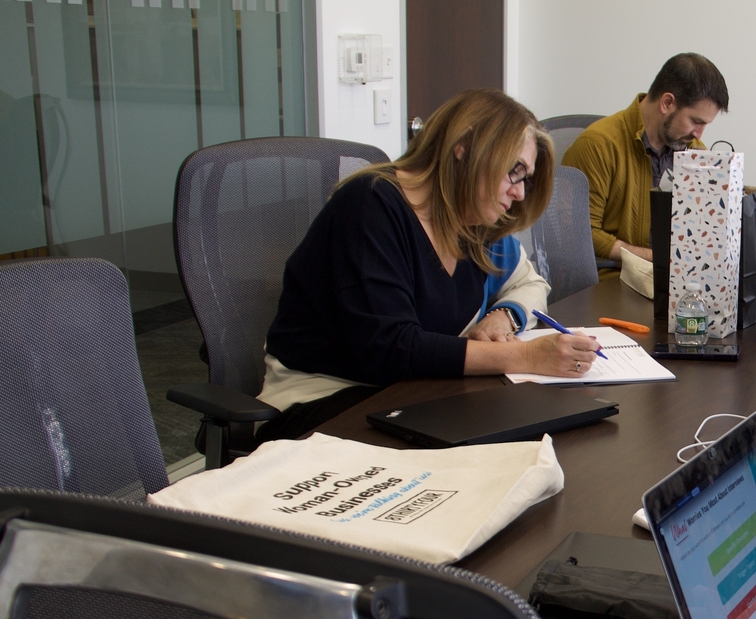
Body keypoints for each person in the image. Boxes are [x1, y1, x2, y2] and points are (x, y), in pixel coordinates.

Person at [257, 89, 601, 440]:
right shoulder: (370, 205)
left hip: (417, 390)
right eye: (515, 172)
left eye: (525, 179)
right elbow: (391, 350)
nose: (520, 194)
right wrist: (525, 356)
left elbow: (531, 284)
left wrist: (505, 315)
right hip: (323, 400)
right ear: (464, 147)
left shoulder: (473, 220)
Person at [562, 53, 730, 264]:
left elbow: (715, 218)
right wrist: (655, 258)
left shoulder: (694, 152)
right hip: (613, 278)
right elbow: (577, 234)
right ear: (667, 103)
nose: (699, 134)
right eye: (696, 121)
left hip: (675, 277)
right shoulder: (598, 146)